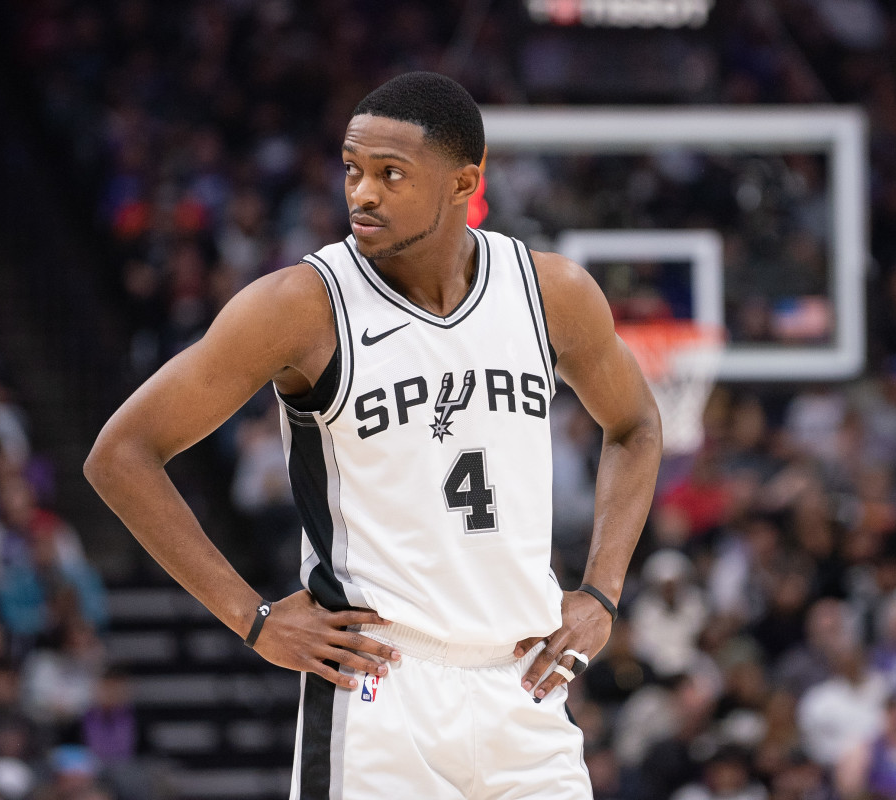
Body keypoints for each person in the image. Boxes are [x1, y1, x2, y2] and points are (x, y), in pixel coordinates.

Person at [84, 71, 662, 798]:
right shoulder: (301, 305)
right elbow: (121, 454)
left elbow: (636, 425)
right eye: (352, 169)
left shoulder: (551, 294)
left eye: (391, 174)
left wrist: (602, 593)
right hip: (381, 688)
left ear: (463, 182)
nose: (362, 193)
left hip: (526, 685)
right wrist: (251, 618)